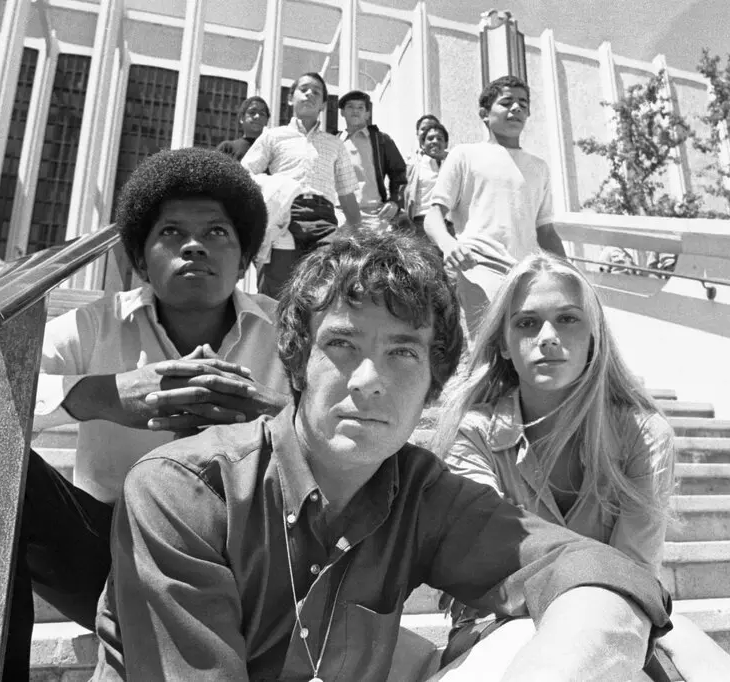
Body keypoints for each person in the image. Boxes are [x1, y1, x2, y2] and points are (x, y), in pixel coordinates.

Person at [92, 230, 673, 682]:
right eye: (343, 344)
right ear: (296, 361)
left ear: (432, 384)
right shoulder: (182, 491)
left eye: (402, 352)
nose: (369, 381)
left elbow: (594, 572)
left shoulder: (421, 494)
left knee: (543, 635)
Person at [0, 147, 290, 679]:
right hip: (113, 564)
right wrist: (100, 394)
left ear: (246, 258)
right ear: (139, 258)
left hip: (259, 570)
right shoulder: (94, 324)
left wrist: (276, 419)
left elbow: (370, 430)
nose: (195, 246)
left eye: (217, 233)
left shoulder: (289, 333)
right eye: (171, 233)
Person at [431, 252, 676, 677]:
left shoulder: (646, 435)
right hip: (498, 626)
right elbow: (492, 569)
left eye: (567, 319)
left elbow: (634, 573)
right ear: (504, 344)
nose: (547, 336)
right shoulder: (472, 435)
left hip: (614, 619)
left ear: (594, 337)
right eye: (527, 323)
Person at [424, 75, 565, 338]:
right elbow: (433, 216)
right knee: (484, 353)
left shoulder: (539, 168)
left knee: (520, 354)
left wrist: (569, 275)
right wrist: (449, 245)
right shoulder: (464, 155)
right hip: (476, 268)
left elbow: (546, 232)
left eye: (523, 103)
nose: (517, 108)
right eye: (507, 102)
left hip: (527, 275)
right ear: (484, 114)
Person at [242, 72, 362, 299]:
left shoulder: (335, 144)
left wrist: (357, 233)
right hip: (283, 217)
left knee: (328, 289)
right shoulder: (273, 137)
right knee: (277, 294)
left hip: (324, 220)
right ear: (290, 98)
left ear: (324, 105)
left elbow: (347, 195)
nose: (310, 94)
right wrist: (274, 186)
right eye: (304, 89)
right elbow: (244, 173)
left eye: (317, 92)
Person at [337, 90, 407, 232]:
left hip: (374, 216)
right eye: (350, 107)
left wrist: (395, 201)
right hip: (340, 216)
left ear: (368, 114)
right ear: (342, 112)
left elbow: (398, 173)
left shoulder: (381, 140)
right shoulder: (334, 141)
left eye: (360, 107)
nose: (355, 111)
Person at [403, 122, 449, 237]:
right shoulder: (414, 166)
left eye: (440, 138)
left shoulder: (453, 165)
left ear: (446, 143)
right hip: (421, 224)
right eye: (430, 138)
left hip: (448, 224)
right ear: (423, 144)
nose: (435, 141)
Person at [216, 96, 270, 162]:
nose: (257, 116)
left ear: (267, 121)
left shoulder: (271, 151)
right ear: (241, 118)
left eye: (262, 114)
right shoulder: (227, 148)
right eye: (252, 112)